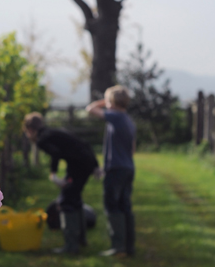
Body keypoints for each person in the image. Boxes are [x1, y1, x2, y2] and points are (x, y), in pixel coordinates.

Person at [22, 113, 99, 254]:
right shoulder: (54, 132)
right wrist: (95, 165)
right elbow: (84, 143)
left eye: (27, 132)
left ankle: (71, 246)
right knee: (74, 198)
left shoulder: (42, 139)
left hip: (78, 166)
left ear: (30, 130)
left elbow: (55, 153)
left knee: (66, 201)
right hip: (84, 164)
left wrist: (53, 174)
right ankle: (81, 240)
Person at [86, 85, 136, 257]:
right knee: (125, 206)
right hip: (128, 167)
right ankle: (129, 247)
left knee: (112, 206)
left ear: (112, 102)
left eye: (108, 100)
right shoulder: (128, 119)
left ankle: (118, 247)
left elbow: (91, 109)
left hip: (116, 169)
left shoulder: (115, 116)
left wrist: (106, 101)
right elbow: (132, 149)